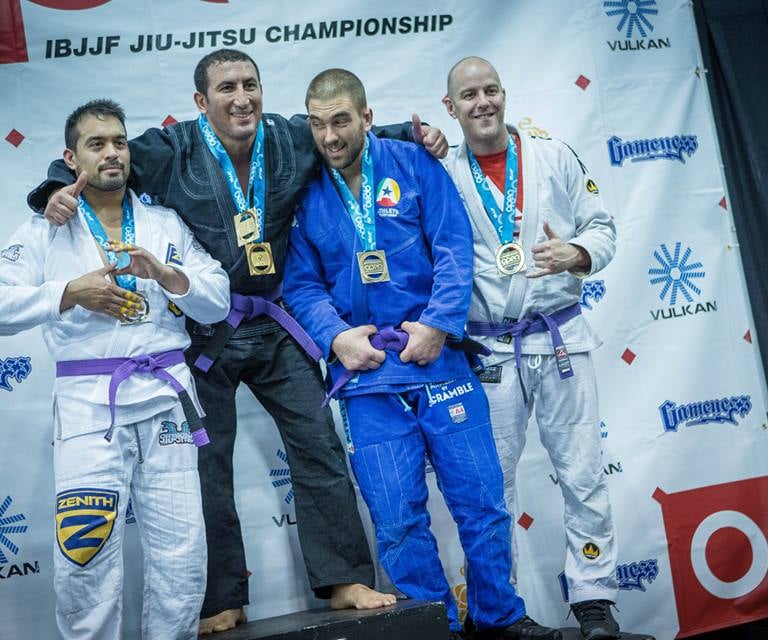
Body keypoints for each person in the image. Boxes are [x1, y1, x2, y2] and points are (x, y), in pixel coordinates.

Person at [27, 48, 450, 634]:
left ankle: (344, 578)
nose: (241, 97)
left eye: (250, 84)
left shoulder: (289, 138)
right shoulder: (167, 150)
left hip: (276, 321)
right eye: (226, 87)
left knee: (318, 444)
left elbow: (343, 136)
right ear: (202, 102)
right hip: (204, 333)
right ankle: (219, 597)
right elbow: (100, 158)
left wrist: (418, 134)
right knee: (205, 462)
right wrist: (51, 187)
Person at [282, 67, 562, 640]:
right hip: (366, 375)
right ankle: (432, 627)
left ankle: (499, 617)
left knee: (481, 501)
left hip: (438, 361)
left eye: (340, 121)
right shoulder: (307, 193)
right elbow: (302, 284)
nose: (330, 137)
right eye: (317, 125)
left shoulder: (414, 165)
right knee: (396, 518)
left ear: (365, 117)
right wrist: (336, 337)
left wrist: (437, 325)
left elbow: (454, 248)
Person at [0, 99, 230, 640]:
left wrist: (168, 275)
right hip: (88, 401)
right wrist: (68, 293)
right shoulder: (45, 228)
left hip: (167, 396)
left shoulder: (163, 221)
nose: (111, 153)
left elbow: (217, 300)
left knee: (182, 548)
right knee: (87, 550)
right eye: (96, 144)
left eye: (119, 142)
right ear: (70, 158)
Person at [440, 57, 620, 640]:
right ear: (451, 107)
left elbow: (603, 228)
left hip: (562, 335)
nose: (482, 102)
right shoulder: (441, 170)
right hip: (491, 351)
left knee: (584, 473)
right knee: (493, 489)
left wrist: (578, 253)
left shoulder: (551, 154)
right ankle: (498, 608)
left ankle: (594, 600)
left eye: (490, 90)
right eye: (468, 95)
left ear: (504, 94)